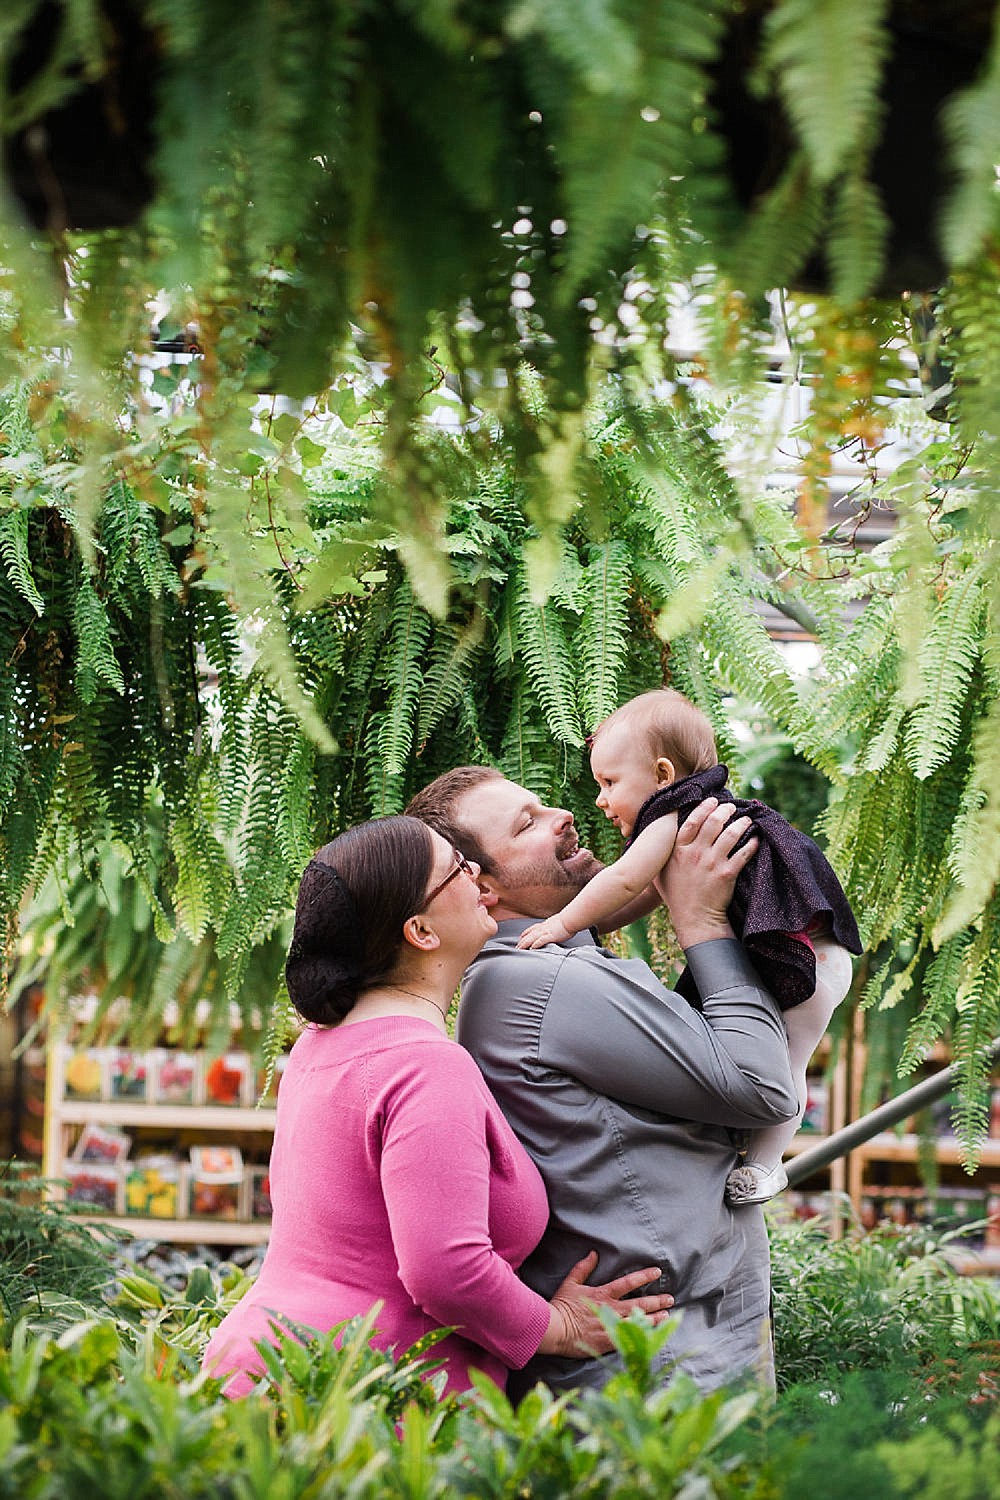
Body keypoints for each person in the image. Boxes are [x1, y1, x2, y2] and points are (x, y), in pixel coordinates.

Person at [201, 815, 673, 1400]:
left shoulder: (319, 1049)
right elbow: (445, 1272)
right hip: (361, 1396)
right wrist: (557, 1328)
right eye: (455, 868)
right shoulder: (423, 1065)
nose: (475, 870)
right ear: (421, 931)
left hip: (269, 1368)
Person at [405, 770, 800, 1402]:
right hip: (661, 1359)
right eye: (525, 824)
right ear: (481, 885)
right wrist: (700, 917)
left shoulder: (540, 967)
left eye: (542, 805)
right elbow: (764, 1088)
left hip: (673, 1342)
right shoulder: (538, 981)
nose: (561, 814)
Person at [516, 689, 862, 1206]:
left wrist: (564, 921)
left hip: (808, 957)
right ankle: (759, 1158)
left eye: (610, 782)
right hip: (819, 955)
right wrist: (587, 929)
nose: (600, 799)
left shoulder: (673, 815)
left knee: (784, 1065)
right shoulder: (695, 815)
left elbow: (626, 879)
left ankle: (766, 1168)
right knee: (786, 1059)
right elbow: (638, 898)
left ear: (661, 774)